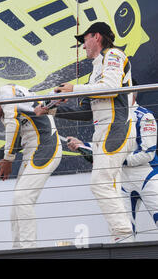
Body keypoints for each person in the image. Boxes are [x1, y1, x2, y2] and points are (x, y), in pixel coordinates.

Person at [34, 21, 136, 242]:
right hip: (103, 131)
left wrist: (73, 89)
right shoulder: (95, 70)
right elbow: (86, 113)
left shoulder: (114, 55)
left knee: (100, 184)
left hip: (116, 128)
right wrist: (53, 109)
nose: (83, 46)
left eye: (84, 40)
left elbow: (110, 88)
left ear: (96, 36)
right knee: (110, 186)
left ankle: (124, 236)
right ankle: (122, 239)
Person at [0, 84, 62, 248]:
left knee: (22, 197)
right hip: (32, 149)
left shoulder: (5, 93)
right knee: (17, 205)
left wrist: (8, 160)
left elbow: (13, 127)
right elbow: (16, 139)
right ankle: (17, 250)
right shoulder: (9, 107)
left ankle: (29, 250)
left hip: (45, 146)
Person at [66, 92, 158, 238]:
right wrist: (83, 145)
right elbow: (106, 148)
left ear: (132, 94)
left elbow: (148, 153)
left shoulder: (144, 116)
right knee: (121, 230)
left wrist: (116, 159)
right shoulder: (108, 117)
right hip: (121, 177)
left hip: (148, 175)